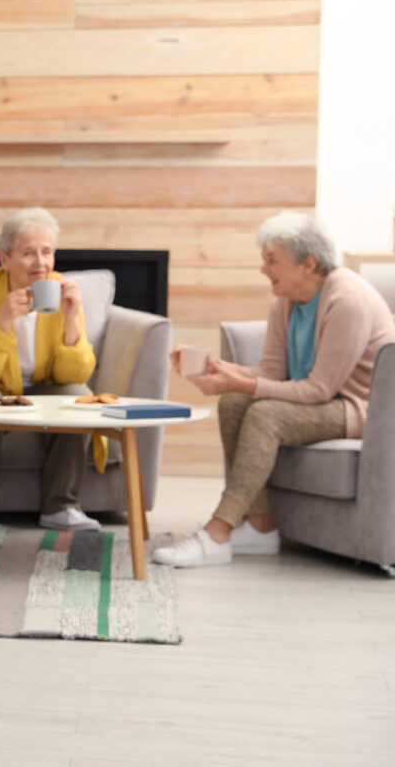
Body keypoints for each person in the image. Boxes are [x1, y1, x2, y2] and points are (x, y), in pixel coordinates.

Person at [154, 211, 395, 568]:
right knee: (235, 402)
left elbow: (319, 389)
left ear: (308, 263)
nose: (263, 269)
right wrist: (220, 370)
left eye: (271, 260)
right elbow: (271, 373)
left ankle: (219, 530)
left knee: (266, 414)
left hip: (358, 408)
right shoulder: (285, 300)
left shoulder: (348, 300)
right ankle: (260, 526)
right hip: (323, 399)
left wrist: (240, 381)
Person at [0, 207, 104, 533]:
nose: (40, 262)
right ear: (5, 259)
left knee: (80, 397)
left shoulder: (60, 291)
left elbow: (74, 375)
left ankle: (61, 506)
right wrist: (3, 321)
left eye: (47, 252)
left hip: (44, 385)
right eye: (28, 253)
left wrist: (72, 319)